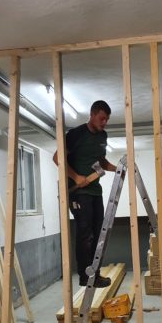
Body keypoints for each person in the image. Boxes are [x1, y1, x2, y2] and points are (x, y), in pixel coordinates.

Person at [53, 100, 116, 287]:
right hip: (79, 192)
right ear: (92, 114)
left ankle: (94, 274)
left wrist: (117, 168)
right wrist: (75, 176)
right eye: (102, 118)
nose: (104, 122)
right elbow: (57, 158)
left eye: (107, 119)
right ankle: (84, 276)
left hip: (95, 191)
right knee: (85, 234)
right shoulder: (75, 134)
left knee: (99, 233)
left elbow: (101, 162)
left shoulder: (102, 136)